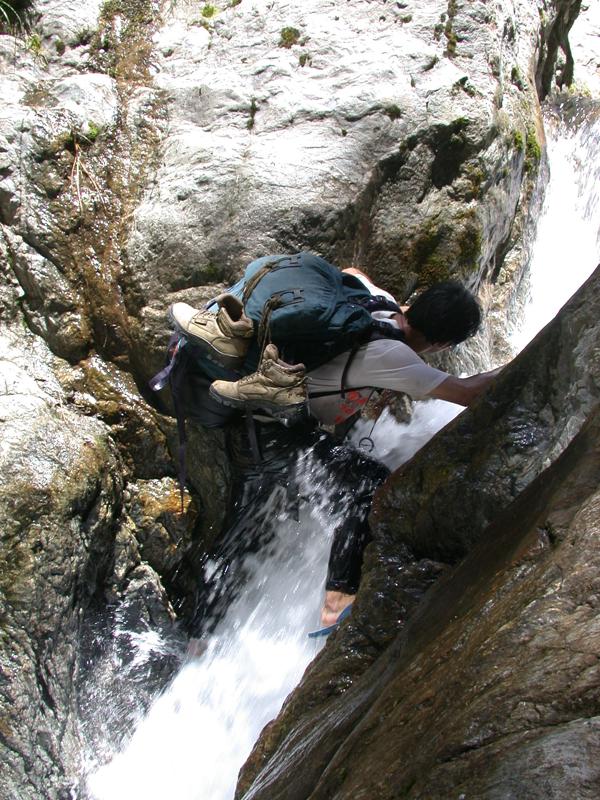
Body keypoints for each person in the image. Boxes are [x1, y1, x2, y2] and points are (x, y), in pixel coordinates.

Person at [170, 263, 501, 635]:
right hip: (276, 437)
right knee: (368, 484)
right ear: (442, 344)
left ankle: (197, 634)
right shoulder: (395, 356)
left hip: (251, 425)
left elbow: (352, 270)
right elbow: (468, 392)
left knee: (244, 532)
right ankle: (337, 600)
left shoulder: (373, 300)